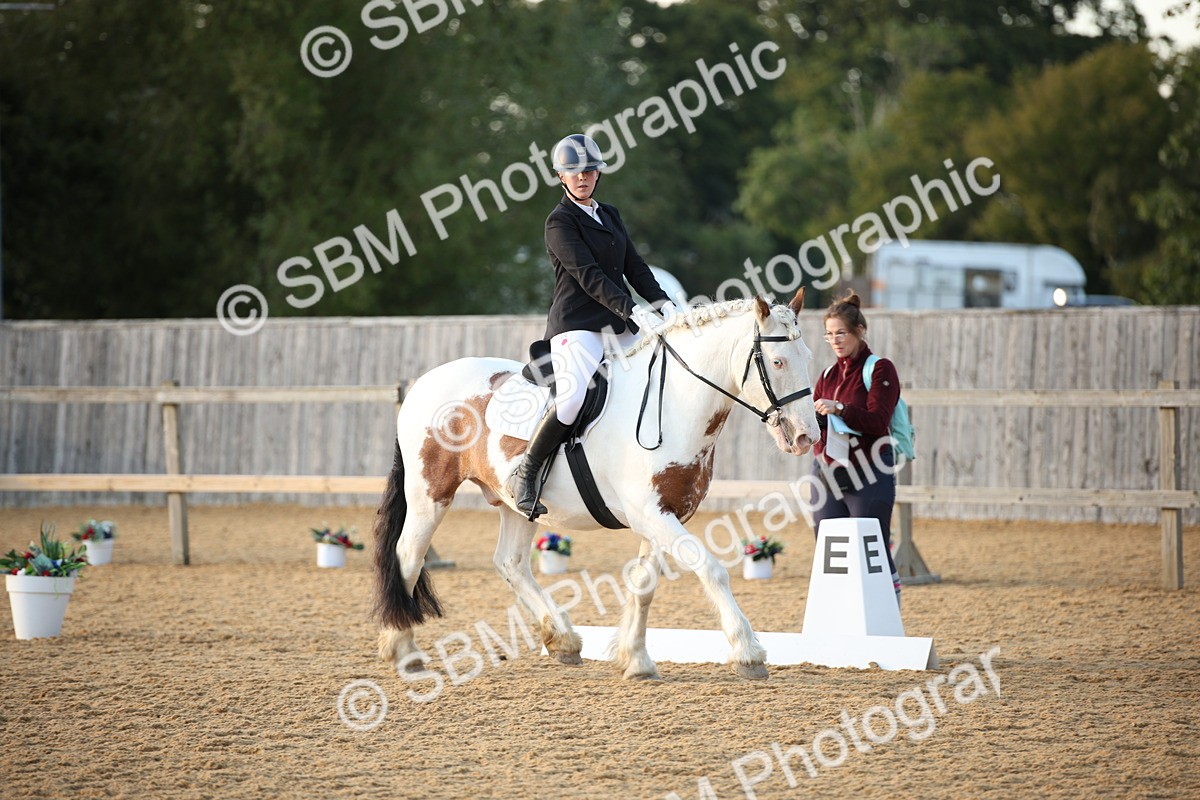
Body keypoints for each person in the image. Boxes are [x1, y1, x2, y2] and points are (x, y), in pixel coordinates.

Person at [508, 133, 673, 519]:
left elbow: (635, 267)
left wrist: (665, 305)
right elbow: (588, 275)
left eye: (588, 171)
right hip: (577, 324)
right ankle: (526, 474)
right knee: (571, 399)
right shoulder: (559, 221)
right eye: (573, 172)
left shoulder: (610, 214)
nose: (581, 177)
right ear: (560, 177)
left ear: (598, 173)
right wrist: (632, 309)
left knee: (658, 374)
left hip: (618, 324)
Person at [810, 291, 903, 604]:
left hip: (870, 469)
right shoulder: (826, 375)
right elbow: (818, 425)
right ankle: (838, 614)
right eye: (829, 334)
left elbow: (878, 422)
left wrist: (839, 408)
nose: (835, 341)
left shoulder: (881, 369)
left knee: (872, 549)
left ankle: (889, 611)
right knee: (829, 551)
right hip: (827, 471)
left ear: (859, 331)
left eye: (841, 333)